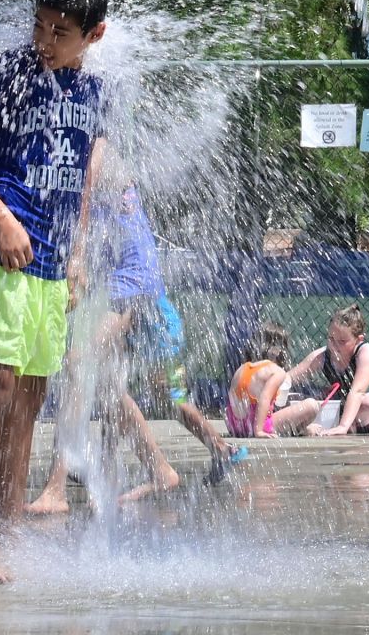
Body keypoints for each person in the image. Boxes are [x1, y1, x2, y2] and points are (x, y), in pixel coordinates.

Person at [0, 0, 111, 583]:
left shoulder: (93, 91)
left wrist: (77, 253)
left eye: (59, 32)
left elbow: (86, 176)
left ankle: (10, 535)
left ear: (93, 35)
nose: (43, 38)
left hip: (53, 260)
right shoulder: (5, 74)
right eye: (38, 24)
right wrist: (1, 217)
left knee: (28, 399)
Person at [29, 170, 235, 510]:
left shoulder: (95, 149)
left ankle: (57, 487)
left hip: (131, 282)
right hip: (128, 281)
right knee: (110, 387)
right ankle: (158, 470)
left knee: (79, 364)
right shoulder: (88, 159)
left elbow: (91, 182)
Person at [275, 305, 369, 437]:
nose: (334, 346)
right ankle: (306, 427)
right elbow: (288, 378)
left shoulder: (366, 352)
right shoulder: (323, 356)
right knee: (300, 400)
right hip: (344, 411)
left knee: (368, 401)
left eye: (342, 341)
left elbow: (358, 392)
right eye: (331, 339)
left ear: (359, 339)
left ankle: (343, 426)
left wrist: (342, 427)